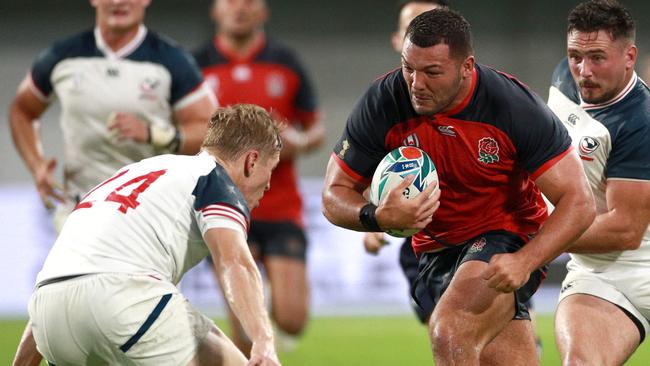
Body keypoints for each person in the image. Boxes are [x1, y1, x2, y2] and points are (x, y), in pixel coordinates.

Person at [322, 8, 596, 365]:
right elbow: (334, 193)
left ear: (467, 66)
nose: (416, 84)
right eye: (409, 68)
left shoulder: (512, 107)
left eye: (432, 72)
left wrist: (526, 260)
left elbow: (580, 201)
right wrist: (376, 216)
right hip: (435, 250)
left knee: (450, 330)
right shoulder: (384, 101)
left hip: (505, 236)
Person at [12, 104, 282, 366]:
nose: (268, 185)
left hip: (48, 314)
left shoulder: (132, 172)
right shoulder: (215, 179)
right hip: (122, 298)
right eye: (270, 172)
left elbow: (71, 277)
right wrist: (264, 340)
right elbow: (234, 261)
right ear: (252, 161)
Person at [8, 0, 216, 232]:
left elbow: (211, 132)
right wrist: (36, 165)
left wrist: (154, 134)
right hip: (80, 210)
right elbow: (22, 110)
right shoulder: (62, 56)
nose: (118, 2)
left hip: (149, 213)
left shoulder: (173, 61)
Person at [193, 0, 324, 354]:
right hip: (222, 205)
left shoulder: (285, 62)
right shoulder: (197, 66)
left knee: (293, 318)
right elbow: (183, 128)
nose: (240, 8)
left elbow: (317, 129)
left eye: (249, 1)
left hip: (280, 206)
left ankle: (268, 306)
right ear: (215, 10)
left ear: (263, 11)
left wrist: (298, 142)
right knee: (245, 328)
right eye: (231, 1)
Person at [548, 1, 650, 365]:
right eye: (575, 55)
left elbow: (625, 230)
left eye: (597, 58)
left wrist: (537, 237)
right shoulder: (563, 79)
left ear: (629, 56)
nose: (583, 70)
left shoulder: (641, 120)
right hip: (598, 273)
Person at [362, 0, 448, 325]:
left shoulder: (483, 97)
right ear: (398, 40)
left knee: (464, 324)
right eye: (412, 28)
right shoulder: (381, 104)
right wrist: (371, 219)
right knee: (442, 328)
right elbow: (361, 171)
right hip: (419, 241)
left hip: (477, 234)